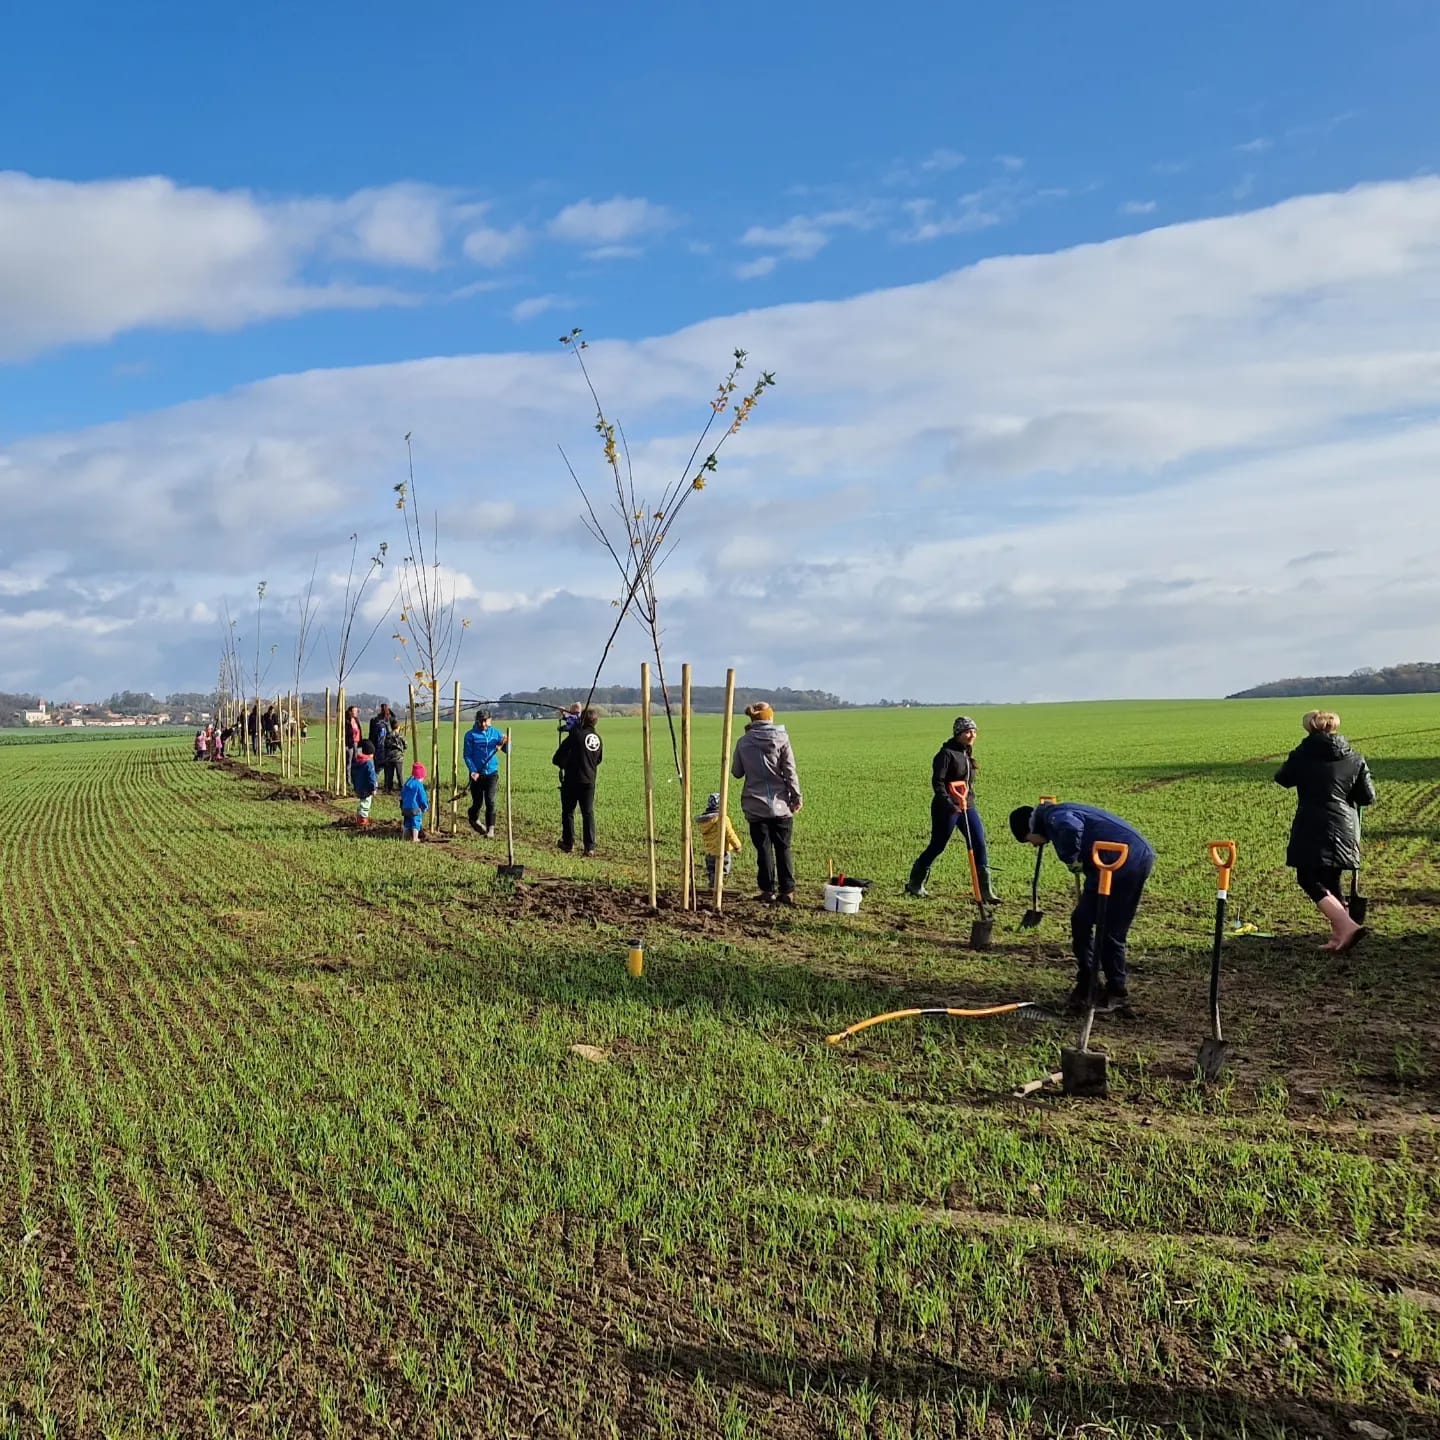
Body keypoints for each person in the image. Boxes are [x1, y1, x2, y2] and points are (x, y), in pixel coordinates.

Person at [1010, 801, 1155, 1012]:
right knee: (1081, 920)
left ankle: (1117, 990)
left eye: (1028, 840)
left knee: (1111, 930)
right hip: (1105, 865)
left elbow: (1071, 827)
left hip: (1127, 861)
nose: (1033, 845)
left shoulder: (1056, 817)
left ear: (1029, 829)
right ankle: (1088, 980)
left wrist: (1071, 857)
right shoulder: (1053, 816)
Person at [1274, 710, 1375, 953]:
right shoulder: (1355, 758)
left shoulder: (1302, 756)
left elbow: (1283, 778)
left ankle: (1346, 926)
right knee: (1331, 879)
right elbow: (1367, 797)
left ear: (1309, 729)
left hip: (1312, 824)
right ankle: (1341, 937)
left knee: (1307, 877)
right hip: (1345, 826)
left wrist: (1299, 759)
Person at [906, 715, 999, 902]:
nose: (972, 734)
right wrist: (949, 803)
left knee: (979, 842)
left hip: (967, 805)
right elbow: (938, 783)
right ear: (958, 734)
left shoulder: (967, 752)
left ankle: (985, 891)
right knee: (938, 845)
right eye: (967, 731)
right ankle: (915, 883)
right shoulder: (946, 754)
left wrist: (967, 799)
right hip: (946, 808)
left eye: (974, 731)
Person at [731, 702, 803, 905]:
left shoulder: (743, 742)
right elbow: (790, 771)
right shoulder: (782, 739)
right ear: (770, 717)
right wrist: (796, 797)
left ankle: (767, 890)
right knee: (783, 848)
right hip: (781, 805)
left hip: (755, 805)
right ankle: (787, 891)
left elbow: (737, 772)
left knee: (763, 850)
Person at [552, 707, 602, 855]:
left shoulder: (575, 735)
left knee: (568, 812)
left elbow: (558, 757)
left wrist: (565, 764)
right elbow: (598, 759)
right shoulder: (597, 738)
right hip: (589, 780)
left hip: (572, 780)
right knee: (588, 813)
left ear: (582, 720)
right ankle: (590, 847)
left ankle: (568, 843)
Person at [464, 709, 509, 837]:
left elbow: (508, 751)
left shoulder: (496, 733)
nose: (483, 724)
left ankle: (490, 829)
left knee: (490, 801)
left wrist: (505, 743)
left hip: (492, 773)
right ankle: (473, 818)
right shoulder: (470, 735)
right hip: (477, 774)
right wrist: (473, 771)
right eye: (481, 721)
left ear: (490, 720)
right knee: (477, 802)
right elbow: (467, 755)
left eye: (485, 721)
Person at [696, 791, 743, 889]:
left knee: (712, 870)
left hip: (709, 852)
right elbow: (730, 834)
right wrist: (737, 846)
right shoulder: (723, 819)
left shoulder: (704, 821)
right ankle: (717, 887)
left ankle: (713, 885)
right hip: (721, 851)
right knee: (723, 870)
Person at [351, 740, 378, 828]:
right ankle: (362, 820)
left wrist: (355, 785)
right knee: (366, 803)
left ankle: (360, 817)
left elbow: (353, 775)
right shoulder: (368, 764)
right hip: (367, 788)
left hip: (358, 787)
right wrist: (373, 788)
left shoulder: (356, 762)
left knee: (362, 802)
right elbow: (371, 777)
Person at [400, 762, 429, 842]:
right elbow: (422, 797)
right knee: (416, 822)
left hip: (405, 807)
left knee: (407, 823)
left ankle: (404, 837)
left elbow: (402, 794)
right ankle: (415, 838)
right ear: (421, 776)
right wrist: (425, 806)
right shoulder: (419, 785)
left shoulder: (407, 784)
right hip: (415, 808)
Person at [381, 722, 407, 794]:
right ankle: (402, 788)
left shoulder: (388, 735)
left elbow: (384, 745)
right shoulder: (400, 736)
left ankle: (388, 789)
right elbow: (405, 745)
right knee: (400, 774)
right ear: (398, 727)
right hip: (398, 757)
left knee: (389, 774)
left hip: (389, 757)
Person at [342, 706, 362, 788]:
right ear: (350, 712)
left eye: (356, 711)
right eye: (354, 711)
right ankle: (348, 780)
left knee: (356, 762)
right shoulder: (346, 721)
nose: (356, 712)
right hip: (349, 744)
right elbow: (346, 733)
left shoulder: (356, 720)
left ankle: (355, 779)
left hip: (356, 743)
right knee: (349, 762)